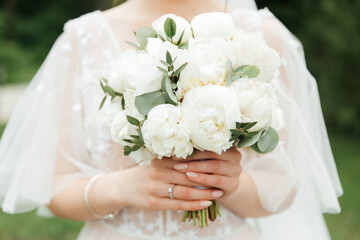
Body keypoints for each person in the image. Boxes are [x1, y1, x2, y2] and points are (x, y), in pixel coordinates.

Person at [0, 0, 343, 239]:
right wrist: (121, 187)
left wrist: (230, 184)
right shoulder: (82, 38)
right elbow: (54, 189)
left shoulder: (263, 37)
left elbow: (283, 189)